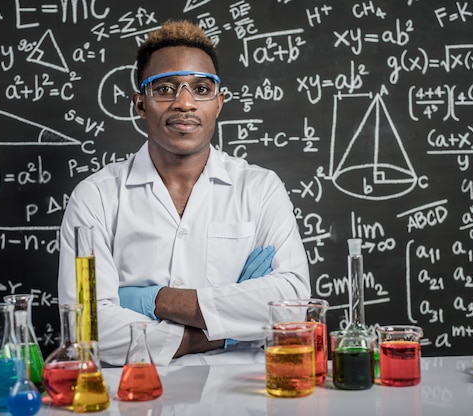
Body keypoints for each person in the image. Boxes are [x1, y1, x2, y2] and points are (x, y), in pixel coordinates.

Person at [57, 19, 310, 366]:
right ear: (140, 103)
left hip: (243, 395)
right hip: (134, 397)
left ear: (219, 102)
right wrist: (226, 329)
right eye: (164, 89)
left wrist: (155, 300)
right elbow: (87, 328)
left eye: (202, 88)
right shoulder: (96, 198)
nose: (185, 103)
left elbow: (293, 304)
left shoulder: (260, 189)